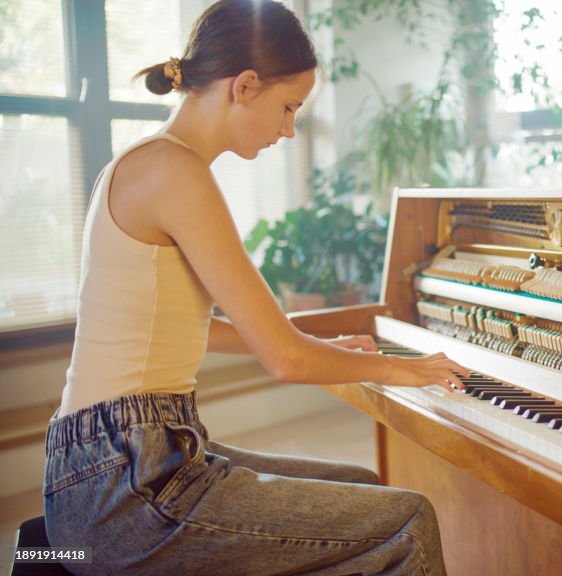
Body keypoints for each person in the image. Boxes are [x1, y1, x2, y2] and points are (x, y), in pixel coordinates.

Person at [43, 1, 465, 574]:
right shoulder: (175, 172)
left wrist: (331, 349)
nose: (289, 129)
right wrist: (400, 368)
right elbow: (285, 361)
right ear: (244, 86)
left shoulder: (148, 163)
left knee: (364, 488)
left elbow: (191, 328)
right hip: (124, 491)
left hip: (105, 469)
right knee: (405, 519)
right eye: (288, 107)